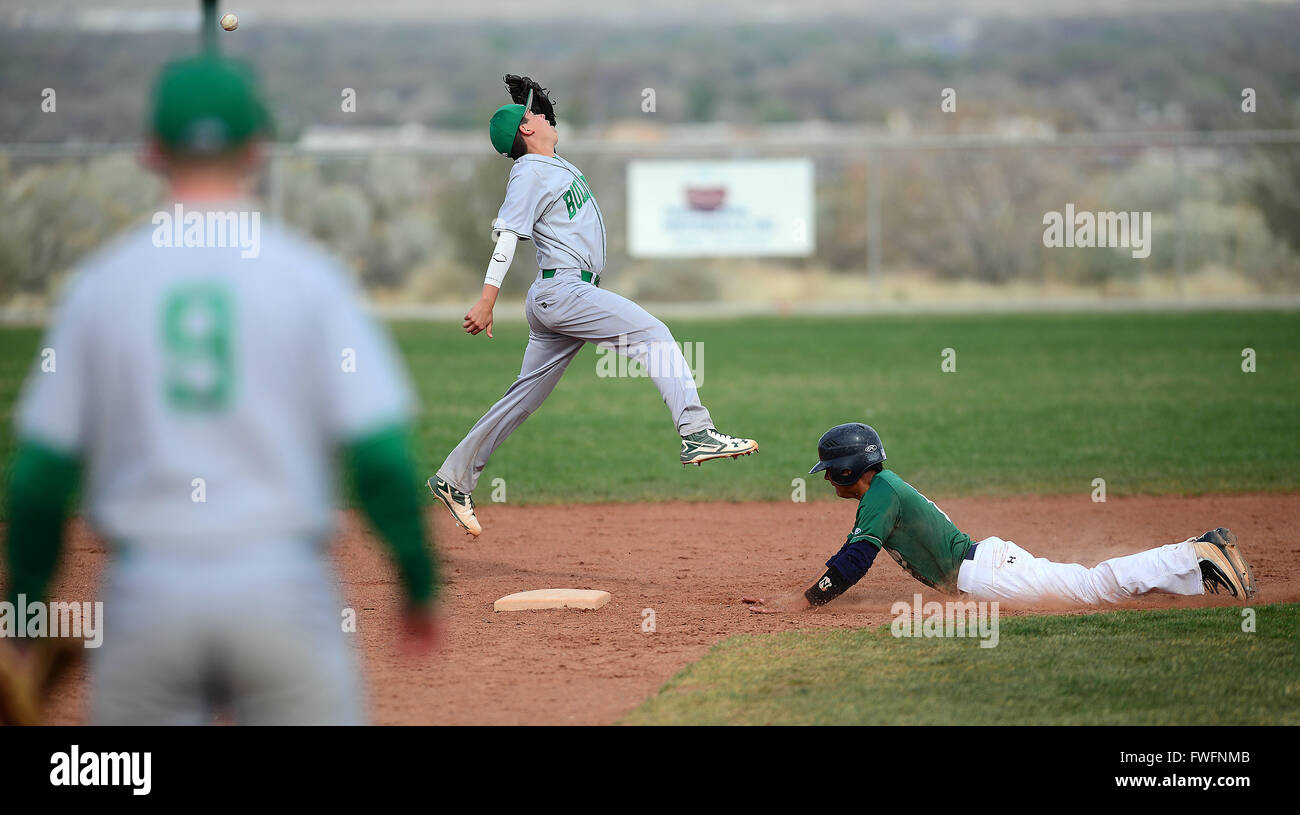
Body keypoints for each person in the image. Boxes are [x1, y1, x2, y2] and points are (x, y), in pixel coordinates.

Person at [1, 54, 440, 724]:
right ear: (257, 150)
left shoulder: (102, 287)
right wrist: (417, 582)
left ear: (151, 152)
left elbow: (38, 480)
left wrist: (23, 613)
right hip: (281, 591)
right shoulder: (311, 279)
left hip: (147, 597)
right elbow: (379, 458)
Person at [428, 75, 757, 537]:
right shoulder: (529, 172)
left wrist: (527, 103)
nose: (544, 115)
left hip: (556, 297)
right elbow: (507, 236)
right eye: (535, 113)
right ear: (525, 130)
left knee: (523, 398)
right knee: (654, 334)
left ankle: (453, 478)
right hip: (564, 292)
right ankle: (696, 432)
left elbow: (540, 128)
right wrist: (487, 300)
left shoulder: (551, 165)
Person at [744, 423, 1257, 613]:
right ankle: (1201, 573)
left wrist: (804, 601)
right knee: (1088, 588)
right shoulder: (883, 489)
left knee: (1092, 589)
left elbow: (855, 560)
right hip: (988, 565)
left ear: (849, 470)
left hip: (989, 572)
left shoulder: (879, 493)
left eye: (831, 473)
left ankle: (1197, 554)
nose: (829, 481)